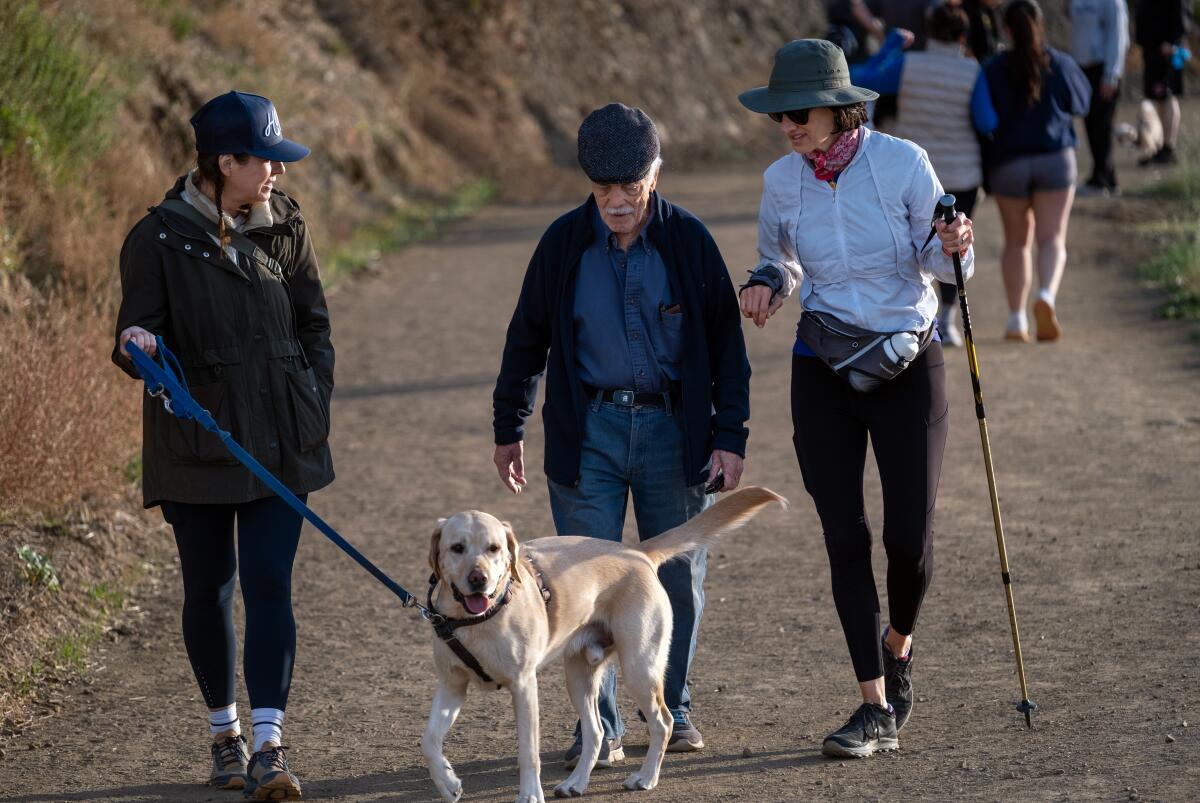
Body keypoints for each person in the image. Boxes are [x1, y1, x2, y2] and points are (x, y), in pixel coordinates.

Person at [492, 103, 751, 767]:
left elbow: (727, 347)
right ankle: (596, 726)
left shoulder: (690, 242)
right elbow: (527, 338)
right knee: (580, 582)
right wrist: (508, 425)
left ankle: (673, 706)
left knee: (678, 577)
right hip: (590, 432)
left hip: (675, 430)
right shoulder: (561, 244)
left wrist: (731, 434)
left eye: (629, 188)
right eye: (602, 189)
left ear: (655, 175)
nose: (615, 202)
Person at [737, 38, 975, 758]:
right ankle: (873, 703)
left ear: (839, 109)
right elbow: (779, 255)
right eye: (780, 116)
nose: (787, 127)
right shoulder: (784, 179)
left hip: (907, 358)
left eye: (797, 112)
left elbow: (936, 258)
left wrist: (955, 240)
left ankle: (898, 643)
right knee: (845, 535)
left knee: (909, 537)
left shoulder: (902, 163)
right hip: (824, 363)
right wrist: (769, 284)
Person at [113, 91, 333, 800]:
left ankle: (270, 745)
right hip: (196, 446)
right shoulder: (154, 240)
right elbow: (134, 331)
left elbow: (313, 324)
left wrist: (312, 401)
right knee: (208, 590)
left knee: (271, 584)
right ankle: (224, 735)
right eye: (264, 160)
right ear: (224, 161)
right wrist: (138, 344)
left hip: (281, 443)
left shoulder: (286, 224)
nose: (276, 172)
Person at [851, 2, 999, 346]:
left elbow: (862, 81)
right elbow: (987, 121)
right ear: (963, 36)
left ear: (929, 32)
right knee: (953, 245)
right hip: (962, 172)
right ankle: (947, 319)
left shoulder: (907, 64)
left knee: (915, 241)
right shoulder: (971, 71)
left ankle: (918, 318)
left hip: (911, 173)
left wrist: (889, 47)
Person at [984, 0, 1091, 342]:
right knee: (1052, 239)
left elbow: (982, 118)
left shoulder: (993, 68)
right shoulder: (1059, 63)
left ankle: (1016, 319)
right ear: (1040, 25)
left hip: (1009, 163)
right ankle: (1045, 296)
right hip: (1055, 159)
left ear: (1006, 29)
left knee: (1016, 243)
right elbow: (1082, 103)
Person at [1069, 0, 1130, 194]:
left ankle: (1103, 179)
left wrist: (1111, 75)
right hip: (1083, 68)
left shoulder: (1113, 2)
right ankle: (1102, 175)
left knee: (1102, 123)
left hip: (1103, 68)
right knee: (1090, 123)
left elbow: (1118, 36)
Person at [1134, 0, 1191, 166]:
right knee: (1159, 98)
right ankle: (1161, 147)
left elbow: (1182, 13)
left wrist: (1174, 42)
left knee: (1168, 94)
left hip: (1168, 50)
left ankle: (1168, 148)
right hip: (1151, 49)